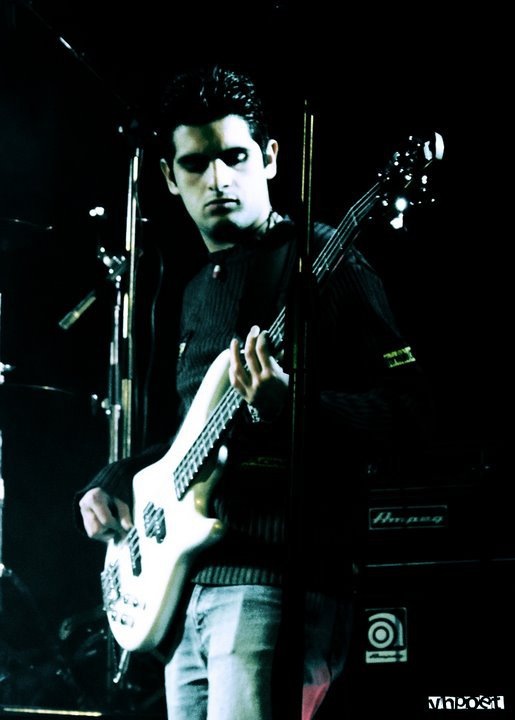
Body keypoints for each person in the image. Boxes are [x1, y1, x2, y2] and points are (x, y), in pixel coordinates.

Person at [76, 64, 432, 719]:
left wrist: (294, 408)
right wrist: (117, 476)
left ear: (269, 158)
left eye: (234, 157)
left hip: (276, 581)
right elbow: (192, 437)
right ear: (169, 178)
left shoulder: (324, 262)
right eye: (196, 164)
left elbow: (412, 414)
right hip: (187, 594)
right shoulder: (194, 290)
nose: (217, 179)